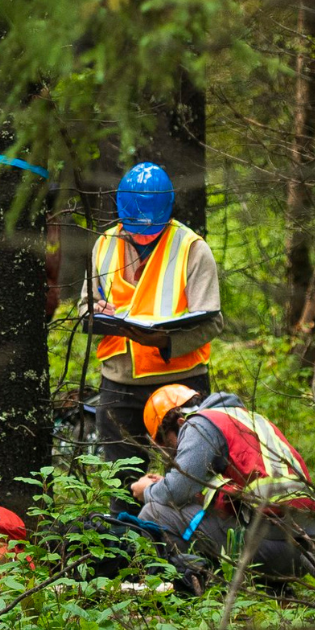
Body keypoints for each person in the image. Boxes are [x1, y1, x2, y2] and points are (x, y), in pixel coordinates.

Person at [82, 162, 223, 513]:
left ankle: (183, 562)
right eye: (136, 229)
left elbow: (212, 322)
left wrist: (167, 342)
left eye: (151, 230)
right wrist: (95, 311)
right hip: (118, 385)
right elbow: (85, 305)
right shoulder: (103, 245)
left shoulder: (192, 248)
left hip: (180, 386)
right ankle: (126, 557)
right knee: (122, 486)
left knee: (189, 487)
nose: (143, 235)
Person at [131, 384, 315, 582]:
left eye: (166, 443)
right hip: (305, 541)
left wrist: (147, 490)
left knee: (153, 512)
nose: (170, 453)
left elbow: (177, 490)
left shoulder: (199, 424)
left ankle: (190, 585)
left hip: (275, 543)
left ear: (180, 422)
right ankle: (266, 586)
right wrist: (169, 483)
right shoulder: (245, 418)